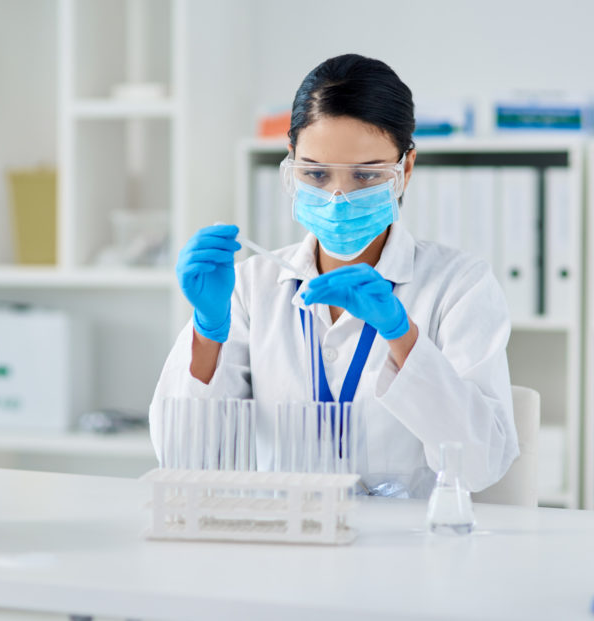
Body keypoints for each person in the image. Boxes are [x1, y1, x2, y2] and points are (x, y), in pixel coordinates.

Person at [150, 53, 517, 498]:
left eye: (365, 175)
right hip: (285, 546)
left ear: (406, 168)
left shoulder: (460, 286)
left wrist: (402, 336)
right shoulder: (251, 286)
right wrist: (209, 331)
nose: (338, 197)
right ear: (291, 163)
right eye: (317, 173)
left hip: (408, 554)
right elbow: (184, 458)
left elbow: (480, 464)